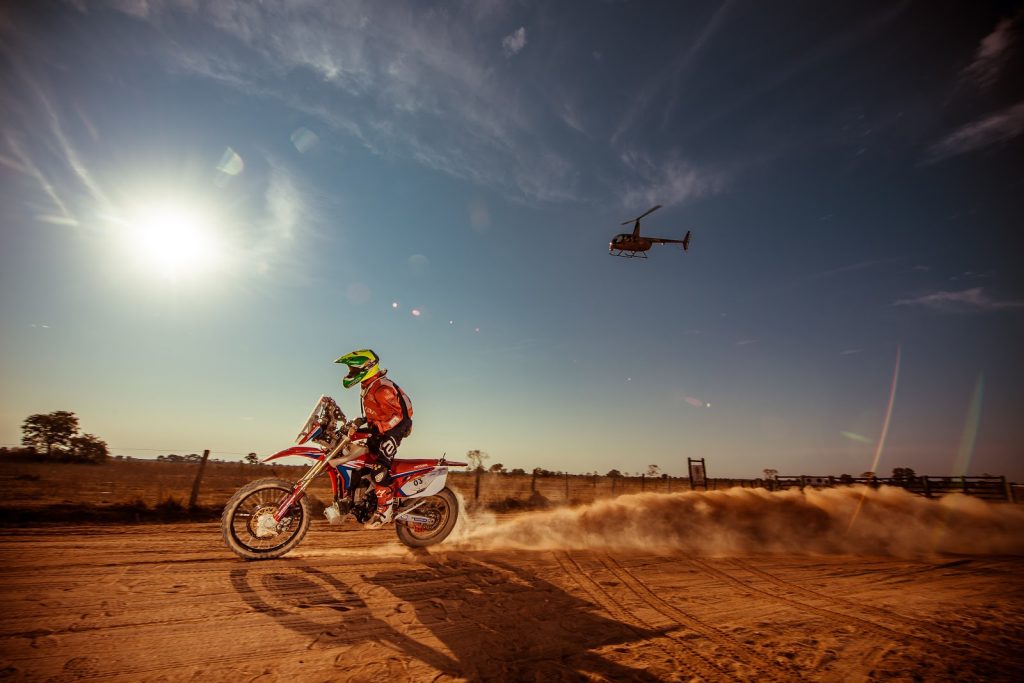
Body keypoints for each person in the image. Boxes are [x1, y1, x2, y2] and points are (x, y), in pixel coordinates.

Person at [335, 349, 414, 528]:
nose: (350, 373)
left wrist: (380, 428)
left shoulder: (381, 389)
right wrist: (360, 422)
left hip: (395, 429)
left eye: (353, 370)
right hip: (381, 426)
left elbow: (398, 417)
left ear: (367, 367)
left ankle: (384, 512)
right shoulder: (369, 385)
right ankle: (360, 501)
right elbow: (376, 411)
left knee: (379, 469)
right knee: (359, 463)